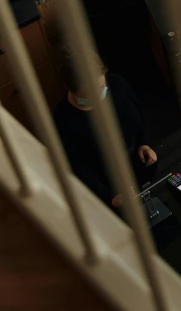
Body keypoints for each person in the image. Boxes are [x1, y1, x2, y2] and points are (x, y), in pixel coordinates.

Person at [53, 49, 157, 207]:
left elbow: (139, 116)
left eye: (101, 87)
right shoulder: (63, 119)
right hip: (107, 183)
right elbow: (79, 168)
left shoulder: (117, 84)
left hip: (138, 162)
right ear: (71, 88)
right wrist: (109, 197)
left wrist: (145, 143)